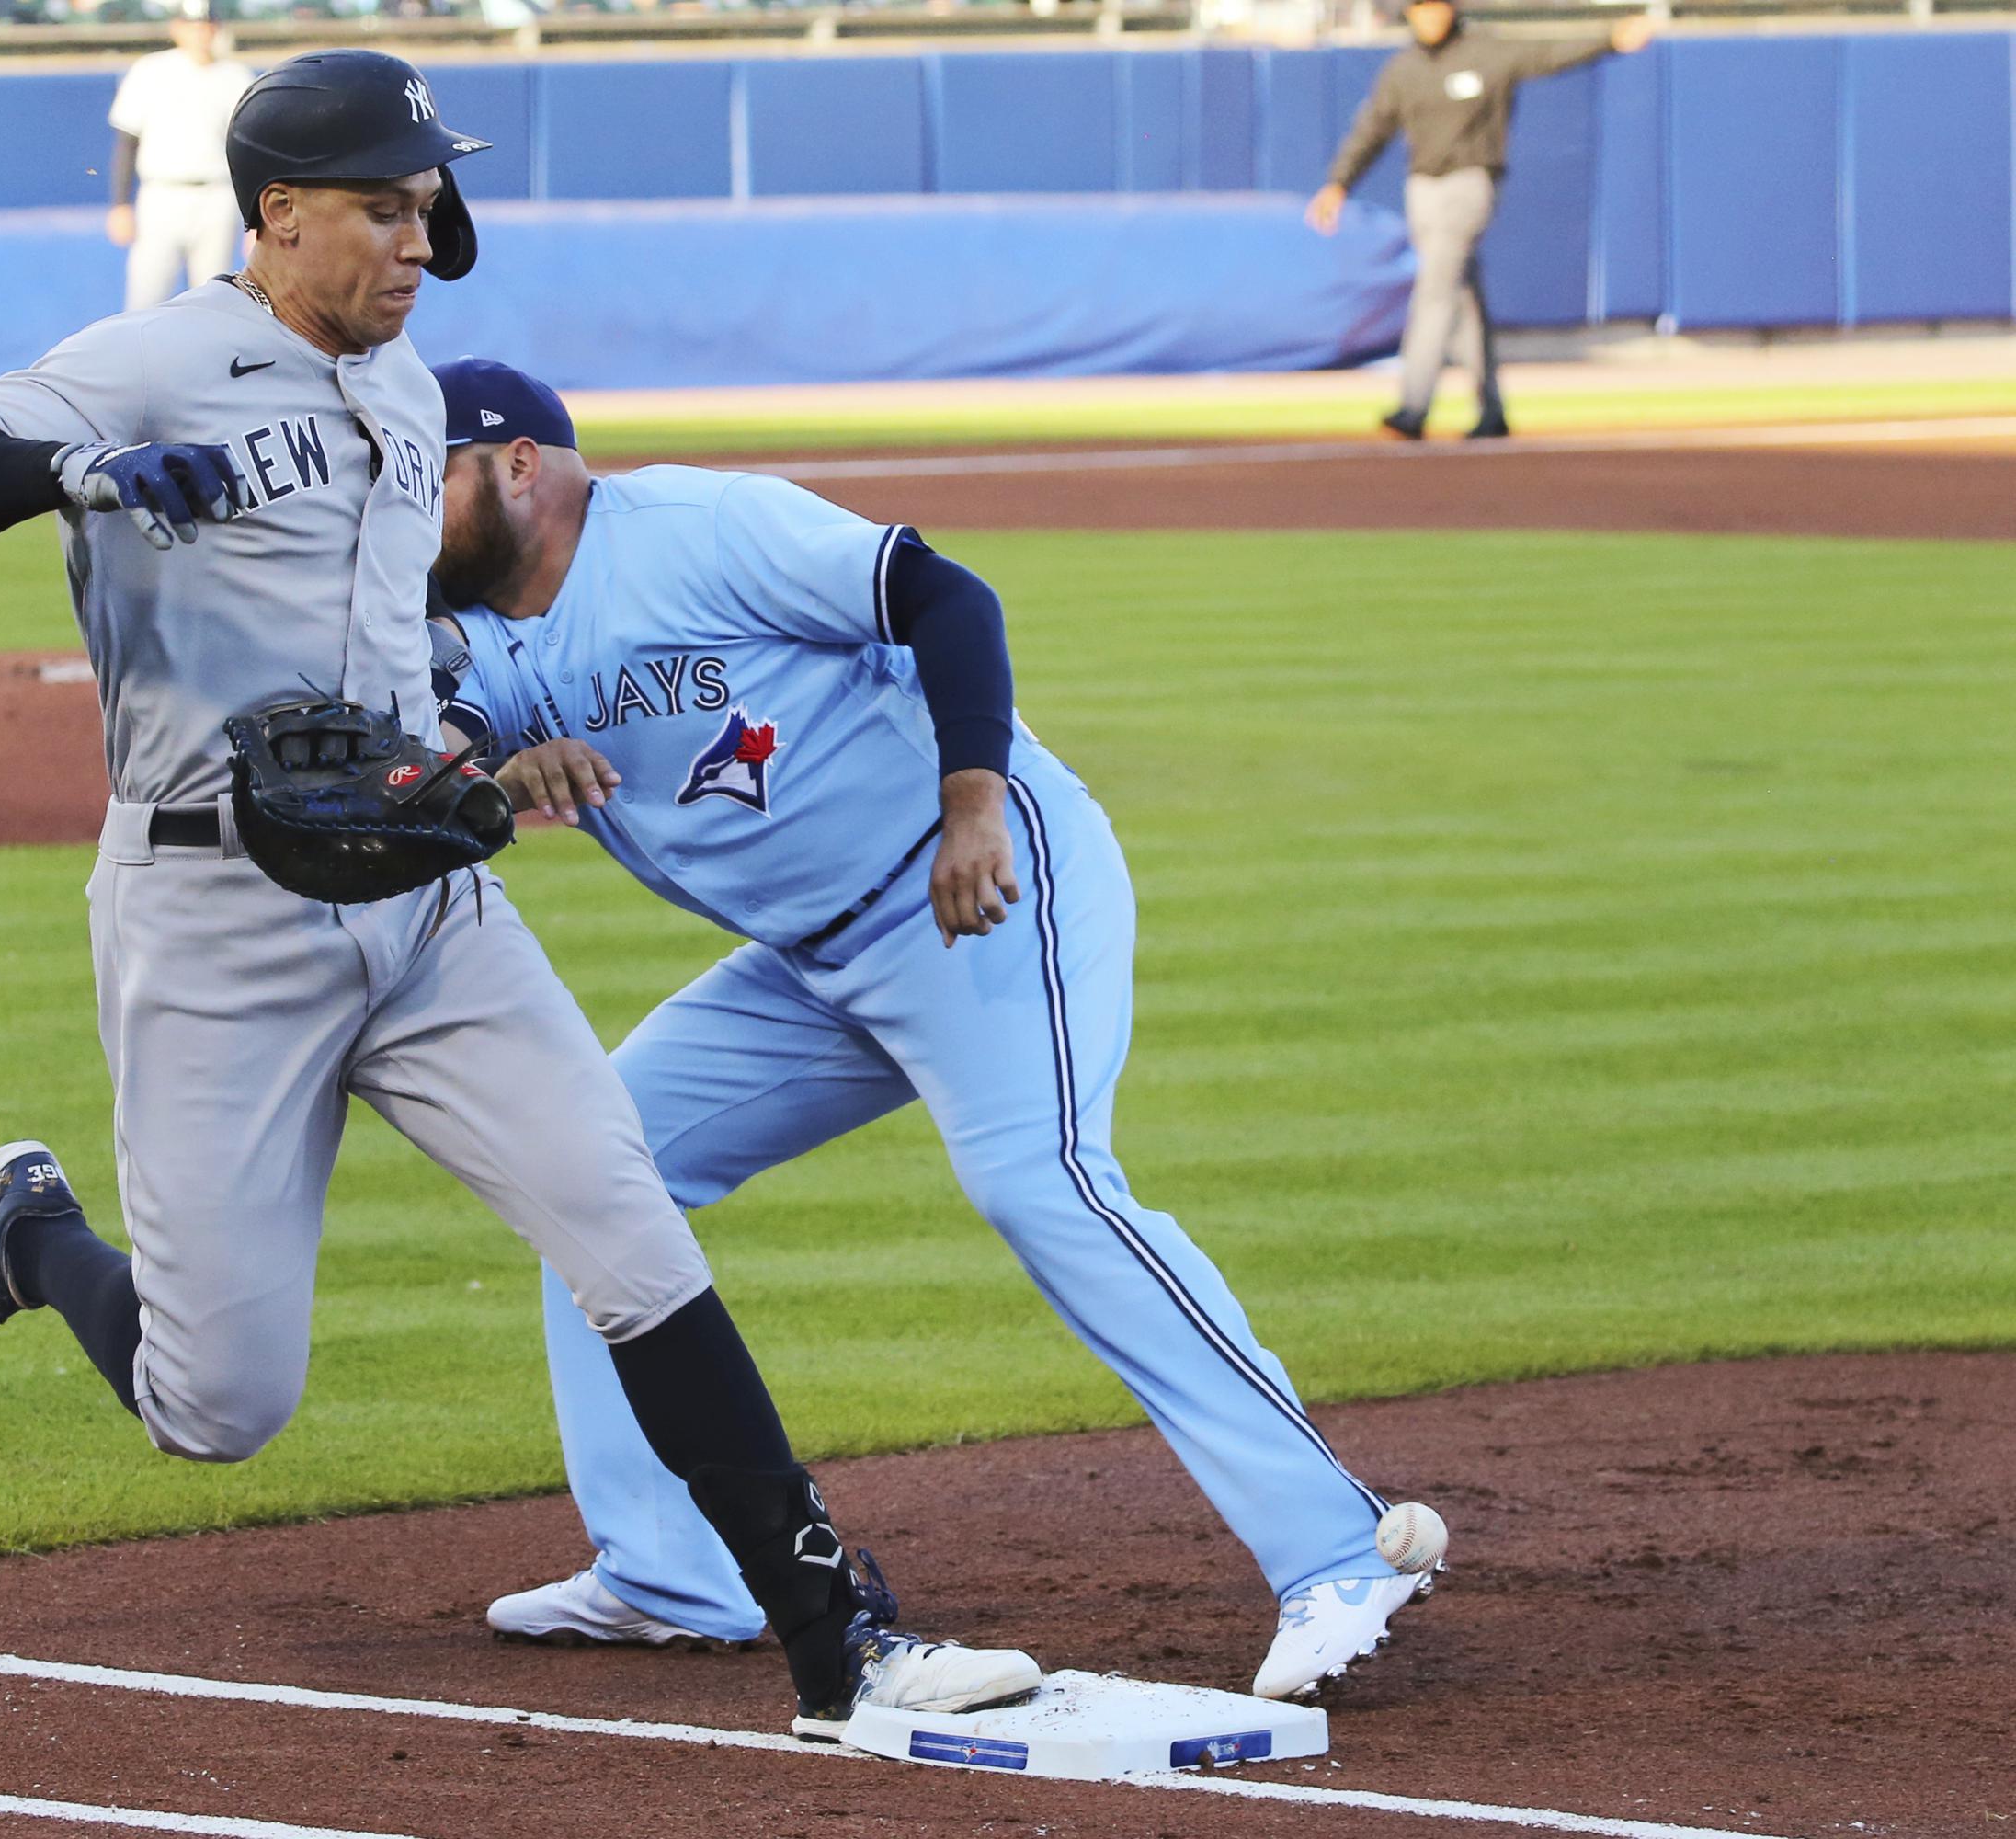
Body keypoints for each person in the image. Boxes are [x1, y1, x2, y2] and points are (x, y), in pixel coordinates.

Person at [0, 50, 1038, 1744]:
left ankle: (843, 1640)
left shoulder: (409, 403)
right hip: (214, 918)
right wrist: (85, 473)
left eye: (424, 206)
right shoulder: (154, 362)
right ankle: (24, 1236)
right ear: (277, 214)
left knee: (625, 1225)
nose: (420, 240)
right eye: (384, 207)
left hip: (420, 900)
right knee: (218, 1408)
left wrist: (470, 778)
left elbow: (396, 669)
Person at [423, 357, 1439, 1704]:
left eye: (419, 475)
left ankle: (1335, 1548)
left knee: (1042, 1180)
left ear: (521, 467)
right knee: (593, 1166)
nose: (397, 508)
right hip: (813, 962)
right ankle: (667, 1572)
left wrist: (976, 807)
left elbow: (946, 596)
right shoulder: (470, 623)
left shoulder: (700, 532)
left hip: (980, 886)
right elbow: (434, 743)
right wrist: (491, 770)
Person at [1307, 0, 1655, 440]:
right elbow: (1372, 129)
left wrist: (1609, 39)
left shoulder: (1484, 52)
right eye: (1420, 9)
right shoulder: (1403, 70)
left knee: (1435, 289)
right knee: (1463, 298)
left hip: (1469, 184)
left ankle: (1414, 406)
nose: (1430, 16)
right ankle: (1491, 408)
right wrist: (1339, 183)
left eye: (1437, 7)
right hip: (1423, 189)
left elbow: (1545, 54)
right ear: (1410, 15)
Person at [104, 0, 254, 315]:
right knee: (145, 300)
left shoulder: (235, 76)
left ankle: (205, 366)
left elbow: (248, 153)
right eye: (192, 26)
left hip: (217, 194)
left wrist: (254, 219)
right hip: (162, 194)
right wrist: (120, 203)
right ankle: (139, 366)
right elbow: (127, 142)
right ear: (176, 28)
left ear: (216, 28)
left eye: (206, 25)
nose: (200, 33)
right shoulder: (151, 70)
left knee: (212, 303)